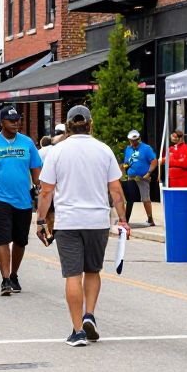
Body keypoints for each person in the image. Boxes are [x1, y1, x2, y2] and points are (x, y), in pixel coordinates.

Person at [36, 105, 129, 347]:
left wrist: (41, 220)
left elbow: (46, 191)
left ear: (68, 125)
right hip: (97, 221)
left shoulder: (57, 151)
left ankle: (77, 331)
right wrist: (123, 219)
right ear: (91, 124)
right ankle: (89, 315)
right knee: (93, 271)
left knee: (72, 275)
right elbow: (116, 190)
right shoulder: (104, 150)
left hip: (68, 221)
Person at [0, 105, 42, 296]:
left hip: (23, 199)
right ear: (1, 122)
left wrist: (42, 193)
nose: (15, 123)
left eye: (17, 119)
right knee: (3, 237)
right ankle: (5, 279)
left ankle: (14, 275)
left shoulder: (27, 143)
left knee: (20, 240)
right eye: (11, 120)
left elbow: (36, 173)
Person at [121, 130, 157, 227]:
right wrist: (124, 167)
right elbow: (127, 162)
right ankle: (126, 220)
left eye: (136, 140)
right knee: (129, 199)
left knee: (145, 199)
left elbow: (154, 161)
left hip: (143, 177)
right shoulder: (128, 149)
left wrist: (149, 173)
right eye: (132, 140)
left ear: (139, 139)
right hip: (131, 176)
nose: (134, 142)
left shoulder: (146, 148)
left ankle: (150, 219)